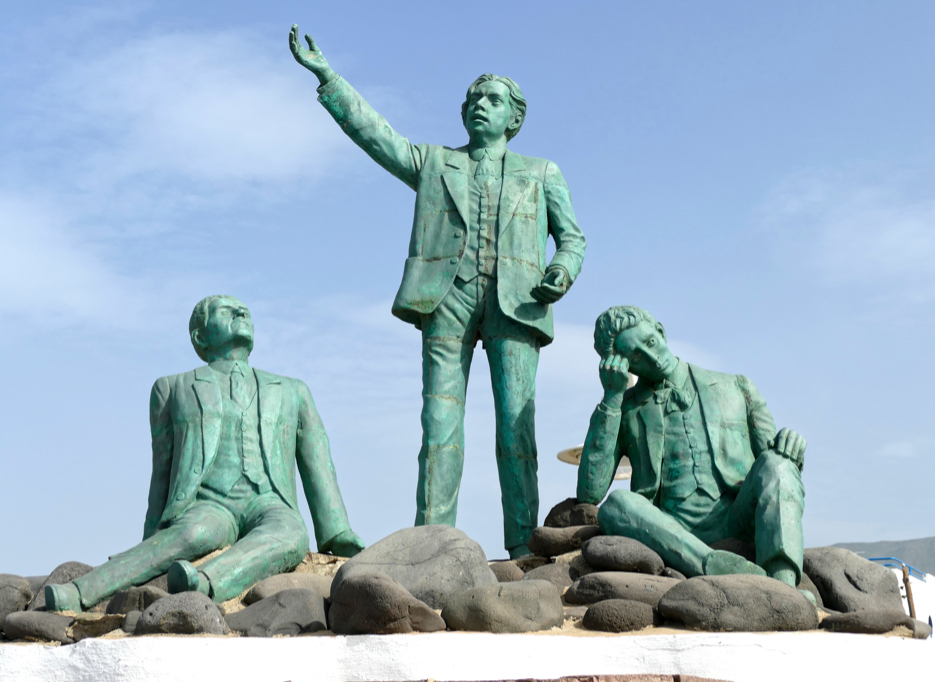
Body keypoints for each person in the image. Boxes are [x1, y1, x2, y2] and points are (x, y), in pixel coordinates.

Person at [289, 26, 587, 557]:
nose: (480, 105)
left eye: (493, 100)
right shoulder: (432, 162)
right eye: (473, 98)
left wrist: (561, 272)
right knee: (438, 427)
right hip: (444, 297)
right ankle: (432, 543)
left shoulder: (541, 172)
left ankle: (522, 546)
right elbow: (376, 136)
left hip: (516, 304)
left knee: (516, 434)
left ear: (514, 117)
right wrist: (328, 78)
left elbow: (573, 238)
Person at [45, 296, 363, 611]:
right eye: (227, 311)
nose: (241, 313)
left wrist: (336, 534)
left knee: (291, 533)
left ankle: (204, 583)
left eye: (245, 311)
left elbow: (318, 461)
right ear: (200, 336)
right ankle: (79, 592)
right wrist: (151, 535)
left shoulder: (293, 390)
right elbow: (162, 473)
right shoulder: (172, 389)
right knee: (192, 534)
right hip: (208, 504)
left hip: (269, 501)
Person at [577, 305, 807, 586]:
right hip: (666, 529)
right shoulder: (624, 410)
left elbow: (772, 464)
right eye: (636, 355)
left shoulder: (737, 387)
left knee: (778, 464)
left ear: (661, 331)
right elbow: (590, 492)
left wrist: (789, 447)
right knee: (616, 504)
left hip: (736, 519)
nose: (652, 357)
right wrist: (612, 397)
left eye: (651, 342)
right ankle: (713, 567)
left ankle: (783, 587)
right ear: (623, 365)